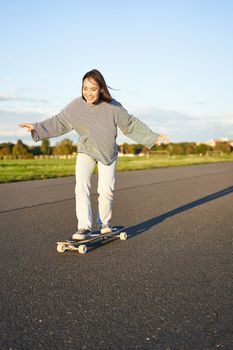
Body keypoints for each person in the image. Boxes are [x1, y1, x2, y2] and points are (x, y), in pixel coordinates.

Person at [19, 69, 164, 240]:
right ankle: (84, 227)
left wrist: (153, 137)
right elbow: (59, 122)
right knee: (81, 186)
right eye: (84, 88)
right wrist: (37, 127)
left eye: (93, 89)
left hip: (108, 153)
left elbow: (130, 124)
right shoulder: (76, 106)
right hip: (86, 150)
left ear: (101, 89)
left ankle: (104, 224)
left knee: (105, 190)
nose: (88, 93)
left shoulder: (113, 107)